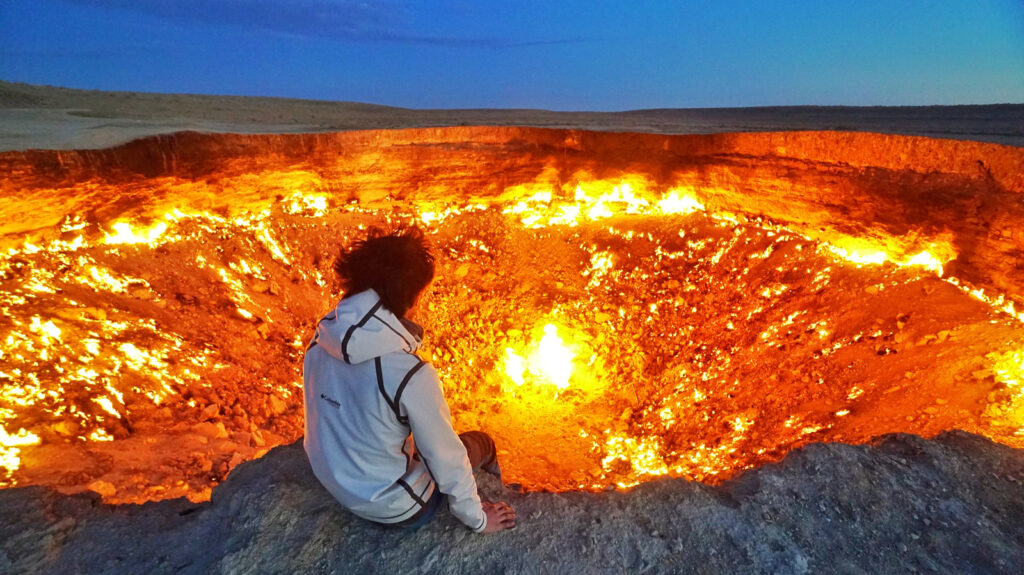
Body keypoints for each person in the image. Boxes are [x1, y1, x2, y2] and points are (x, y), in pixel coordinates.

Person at [302, 226, 516, 533]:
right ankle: (499, 488)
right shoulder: (409, 373)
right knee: (478, 443)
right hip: (393, 505)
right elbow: (445, 457)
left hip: (330, 477)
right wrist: (478, 519)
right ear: (410, 298)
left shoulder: (322, 337)